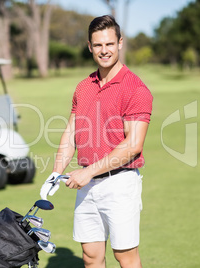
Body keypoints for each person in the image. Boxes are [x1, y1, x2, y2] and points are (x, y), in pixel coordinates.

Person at [40, 15, 153, 268]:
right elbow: (71, 133)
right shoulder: (83, 87)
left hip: (120, 183)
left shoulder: (136, 89)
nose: (104, 51)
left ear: (120, 43)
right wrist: (56, 171)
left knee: (126, 256)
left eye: (109, 44)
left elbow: (133, 145)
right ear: (90, 46)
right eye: (98, 45)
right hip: (87, 186)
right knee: (91, 257)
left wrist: (87, 172)